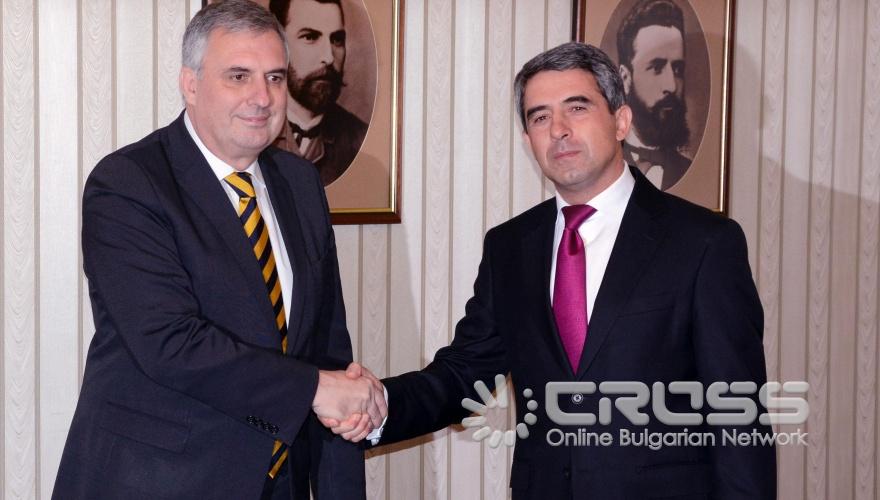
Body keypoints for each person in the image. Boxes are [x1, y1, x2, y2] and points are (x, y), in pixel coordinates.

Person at [329, 42, 776, 498]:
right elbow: (465, 373)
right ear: (528, 141)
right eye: (540, 117)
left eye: (577, 108)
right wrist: (378, 406)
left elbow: (738, 416)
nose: (558, 130)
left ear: (621, 121)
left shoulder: (703, 243)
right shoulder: (510, 247)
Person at [52, 2, 384, 499]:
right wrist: (316, 388)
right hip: (156, 483)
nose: (262, 97)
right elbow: (170, 342)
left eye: (275, 77)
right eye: (238, 76)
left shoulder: (300, 183)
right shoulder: (128, 183)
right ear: (190, 84)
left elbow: (328, 348)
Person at [269, 0, 369, 186]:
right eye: (310, 37)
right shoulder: (246, 131)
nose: (329, 57)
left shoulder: (360, 139)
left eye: (337, 40)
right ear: (279, 44)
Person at [617, 0, 692, 190]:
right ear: (625, 78)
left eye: (677, 69)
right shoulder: (598, 169)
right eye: (657, 68)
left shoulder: (688, 170)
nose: (671, 86)